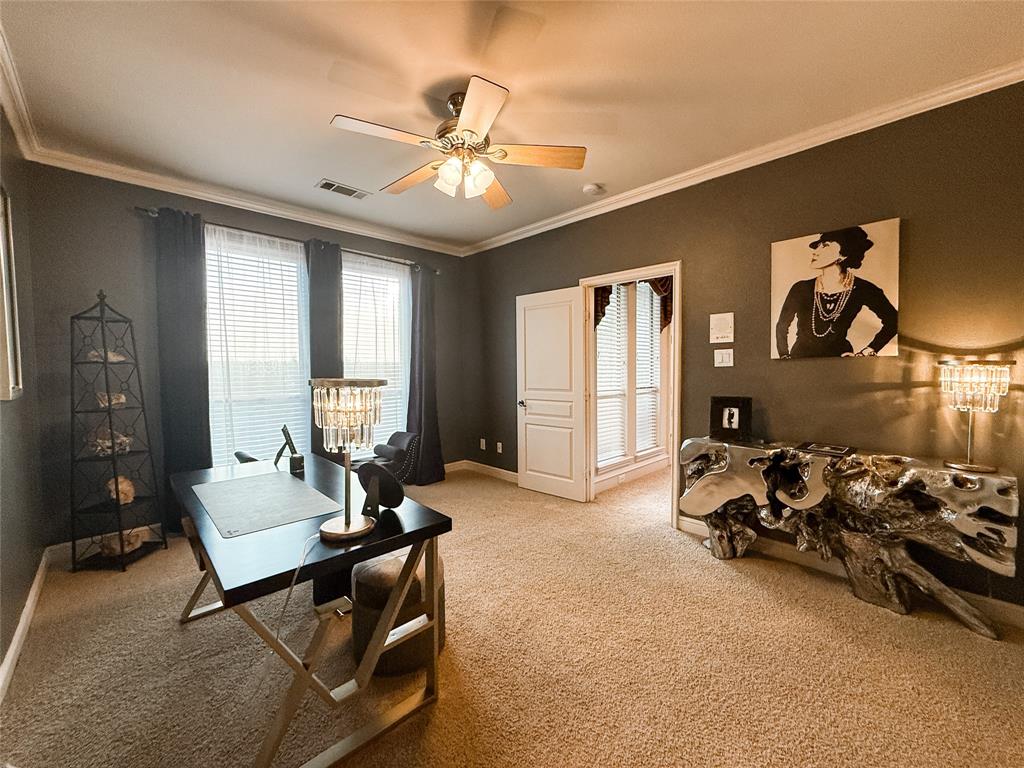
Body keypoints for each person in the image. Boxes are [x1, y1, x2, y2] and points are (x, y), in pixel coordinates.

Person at [774, 226, 897, 358]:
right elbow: (782, 325)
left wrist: (869, 350)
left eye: (825, 246)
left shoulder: (863, 289)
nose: (815, 252)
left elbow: (894, 321)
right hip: (800, 360)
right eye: (817, 246)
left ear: (843, 254)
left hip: (841, 361)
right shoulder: (800, 288)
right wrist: (784, 355)